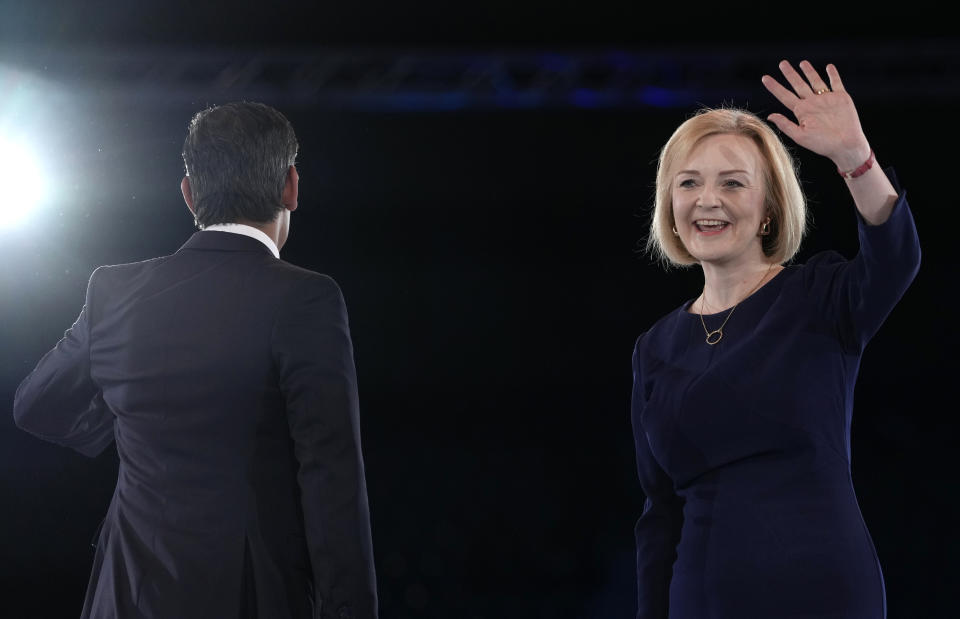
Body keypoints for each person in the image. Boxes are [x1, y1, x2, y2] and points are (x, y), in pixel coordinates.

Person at [13, 102, 378, 619]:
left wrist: (123, 422)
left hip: (126, 596)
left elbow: (35, 405)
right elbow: (331, 479)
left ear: (189, 194)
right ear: (291, 186)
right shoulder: (306, 299)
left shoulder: (114, 292)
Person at [632, 60, 920, 618]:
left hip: (822, 594)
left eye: (733, 183)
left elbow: (896, 258)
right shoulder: (654, 347)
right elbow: (658, 518)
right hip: (704, 601)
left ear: (768, 209)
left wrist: (854, 158)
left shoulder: (819, 297)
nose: (707, 200)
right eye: (688, 183)